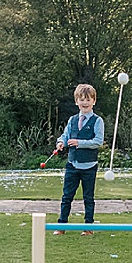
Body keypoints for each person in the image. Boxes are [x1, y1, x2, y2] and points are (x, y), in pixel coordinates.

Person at [55, 82, 105, 228]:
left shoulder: (97, 121)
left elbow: (98, 141)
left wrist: (79, 143)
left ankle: (88, 226)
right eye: (82, 99)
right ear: (77, 101)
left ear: (94, 101)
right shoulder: (73, 120)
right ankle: (61, 225)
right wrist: (60, 142)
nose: (85, 102)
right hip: (72, 164)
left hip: (89, 166)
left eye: (88, 99)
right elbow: (65, 135)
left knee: (88, 198)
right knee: (66, 197)